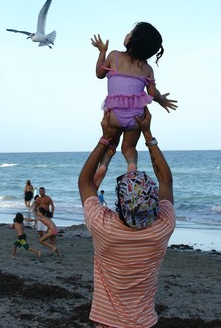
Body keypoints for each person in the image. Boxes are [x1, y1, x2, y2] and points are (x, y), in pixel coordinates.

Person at [78, 109, 175, 328]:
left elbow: (85, 182)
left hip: (107, 323)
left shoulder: (103, 226)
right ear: (153, 202)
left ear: (120, 203)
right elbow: (166, 181)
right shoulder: (163, 227)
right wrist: (148, 135)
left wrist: (106, 139)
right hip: (144, 323)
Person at [91, 23, 178, 175]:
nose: (128, 33)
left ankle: (103, 166)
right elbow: (152, 93)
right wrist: (162, 100)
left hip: (114, 114)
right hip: (136, 117)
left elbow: (99, 73)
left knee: (111, 143)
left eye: (131, 32)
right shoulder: (147, 69)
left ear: (133, 41)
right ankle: (131, 168)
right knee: (128, 148)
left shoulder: (114, 56)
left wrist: (102, 51)